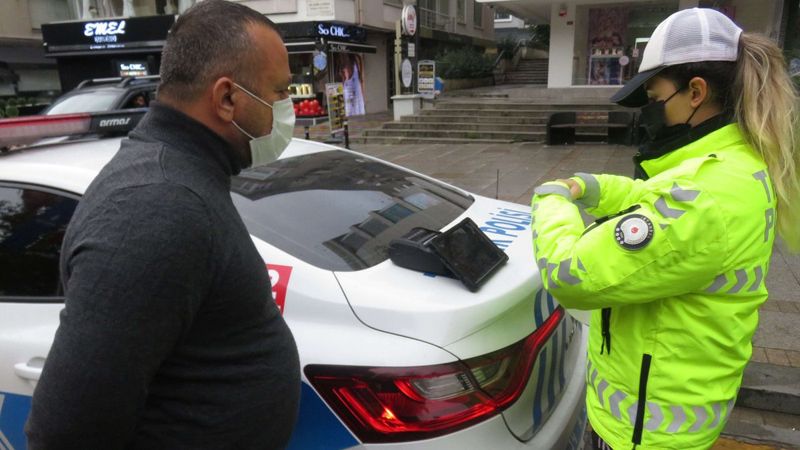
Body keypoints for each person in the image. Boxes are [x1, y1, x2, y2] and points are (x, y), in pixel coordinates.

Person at [25, 1, 300, 448]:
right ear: (227, 98)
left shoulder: (184, 176)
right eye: (279, 92)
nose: (287, 108)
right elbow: (64, 432)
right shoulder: (155, 206)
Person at [531, 8, 799, 450]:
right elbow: (656, 194)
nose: (649, 114)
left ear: (696, 91)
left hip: (645, 434)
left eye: (655, 99)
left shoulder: (706, 197)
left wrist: (551, 199)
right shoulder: (732, 167)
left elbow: (569, 272)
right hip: (675, 408)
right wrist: (590, 186)